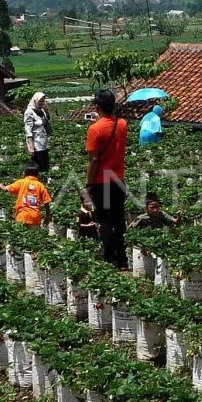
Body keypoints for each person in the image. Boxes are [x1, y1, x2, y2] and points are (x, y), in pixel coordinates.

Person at [85, 88, 129, 269]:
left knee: (104, 221)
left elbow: (93, 159)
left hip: (102, 182)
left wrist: (89, 183)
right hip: (119, 179)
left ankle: (109, 257)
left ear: (97, 106)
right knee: (119, 221)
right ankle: (123, 260)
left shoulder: (94, 129)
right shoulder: (123, 124)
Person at [0, 162, 51, 228]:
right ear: (37, 174)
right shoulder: (40, 185)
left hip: (22, 216)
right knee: (34, 237)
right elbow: (46, 202)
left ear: (24, 172)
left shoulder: (21, 182)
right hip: (35, 217)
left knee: (21, 235)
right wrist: (47, 216)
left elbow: (6, 189)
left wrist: (0, 185)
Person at [23, 92, 51, 174]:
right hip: (36, 142)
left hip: (43, 141)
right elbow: (28, 130)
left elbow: (46, 122)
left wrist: (47, 110)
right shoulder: (29, 112)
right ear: (35, 100)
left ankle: (44, 180)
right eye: (40, 101)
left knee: (45, 162)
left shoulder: (41, 110)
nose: (42, 103)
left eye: (43, 101)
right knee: (38, 163)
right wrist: (31, 146)